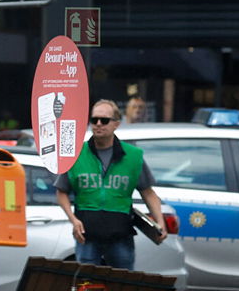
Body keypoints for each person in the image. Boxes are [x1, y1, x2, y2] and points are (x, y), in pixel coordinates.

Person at [54, 99, 167, 270]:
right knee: (86, 287)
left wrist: (160, 223)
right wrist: (73, 220)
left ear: (116, 124)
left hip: (120, 235)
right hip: (87, 236)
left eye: (104, 120)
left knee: (123, 287)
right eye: (94, 120)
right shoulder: (76, 154)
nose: (98, 124)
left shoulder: (133, 156)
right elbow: (61, 191)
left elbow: (148, 192)